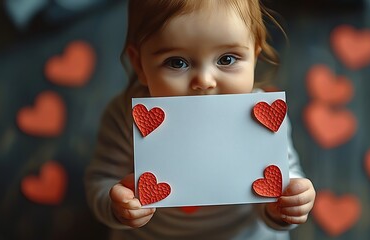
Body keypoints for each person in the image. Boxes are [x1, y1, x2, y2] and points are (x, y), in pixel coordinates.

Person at [85, 0, 316, 239]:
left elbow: (282, 176)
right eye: (177, 62)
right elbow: (100, 181)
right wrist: (118, 206)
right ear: (140, 64)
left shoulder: (263, 115)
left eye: (227, 59)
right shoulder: (125, 116)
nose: (205, 81)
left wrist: (286, 203)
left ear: (255, 55)